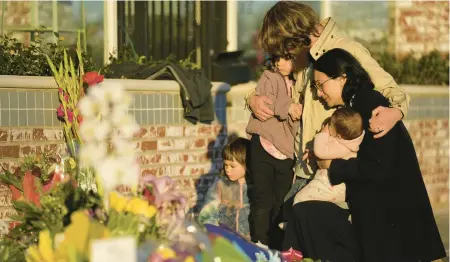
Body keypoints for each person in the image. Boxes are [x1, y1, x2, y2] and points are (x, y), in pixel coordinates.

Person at [245, 1, 411, 201]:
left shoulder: (346, 49)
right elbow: (275, 85)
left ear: (295, 35)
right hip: (303, 167)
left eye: (286, 48)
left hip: (332, 169)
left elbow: (390, 89)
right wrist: (252, 98)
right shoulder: (303, 57)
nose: (286, 56)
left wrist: (397, 111)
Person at [308, 48, 445, 261]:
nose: (318, 93)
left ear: (342, 78)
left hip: (393, 224)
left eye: (320, 84)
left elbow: (377, 166)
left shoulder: (369, 105)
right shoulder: (358, 103)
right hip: (389, 221)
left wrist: (330, 166)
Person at [246, 55, 302, 248]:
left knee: (281, 203)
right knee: (262, 200)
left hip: (287, 151)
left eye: (287, 59)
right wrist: (289, 107)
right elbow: (266, 102)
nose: (280, 63)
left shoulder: (303, 81)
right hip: (264, 142)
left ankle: (278, 248)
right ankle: (259, 245)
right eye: (277, 59)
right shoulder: (269, 76)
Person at [293, 107, 364, 209]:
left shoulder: (344, 147)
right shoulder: (346, 142)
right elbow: (326, 152)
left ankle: (291, 223)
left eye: (329, 126)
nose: (327, 126)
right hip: (328, 184)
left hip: (329, 186)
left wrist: (323, 133)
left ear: (339, 136)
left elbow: (320, 151)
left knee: (300, 198)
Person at [197, 138, 251, 240]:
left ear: (247, 164)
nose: (227, 169)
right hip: (226, 242)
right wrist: (216, 235)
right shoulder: (220, 187)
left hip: (253, 245)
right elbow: (206, 215)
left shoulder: (257, 188)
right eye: (226, 165)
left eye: (232, 166)